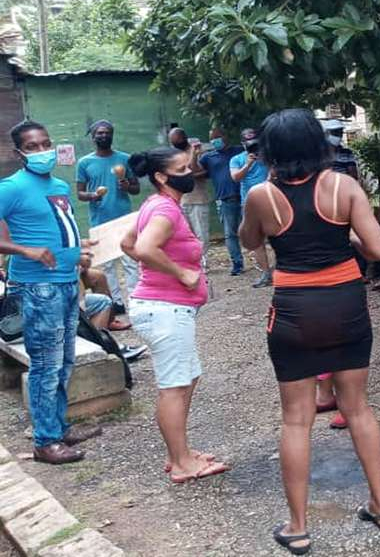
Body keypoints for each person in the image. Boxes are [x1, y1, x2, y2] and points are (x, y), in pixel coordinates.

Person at [239, 109, 380, 554]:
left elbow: (250, 241)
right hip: (346, 304)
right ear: (317, 143)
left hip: (294, 311)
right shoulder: (344, 187)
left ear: (269, 150)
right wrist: (347, 239)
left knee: (296, 419)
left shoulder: (261, 195)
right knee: (359, 408)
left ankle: (298, 526)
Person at [119, 146, 229, 483]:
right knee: (173, 387)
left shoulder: (157, 205)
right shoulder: (165, 209)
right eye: (181, 168)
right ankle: (182, 464)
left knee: (187, 378)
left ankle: (178, 452)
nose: (189, 171)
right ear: (161, 177)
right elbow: (143, 248)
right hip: (165, 310)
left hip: (167, 309)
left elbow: (126, 243)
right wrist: (181, 275)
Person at [0, 120, 101, 464]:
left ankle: (58, 427)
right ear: (19, 153)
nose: (43, 151)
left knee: (65, 361)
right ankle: (45, 442)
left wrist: (79, 248)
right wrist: (25, 251)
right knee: (46, 364)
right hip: (38, 287)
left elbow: (61, 228)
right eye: (32, 147)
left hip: (67, 281)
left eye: (46, 143)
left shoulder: (58, 185)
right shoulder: (10, 188)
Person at [76, 120, 140, 325]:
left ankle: (135, 302)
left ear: (112, 135)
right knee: (108, 267)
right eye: (100, 133)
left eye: (107, 132)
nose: (104, 136)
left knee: (131, 262)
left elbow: (136, 189)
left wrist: (127, 185)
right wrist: (93, 195)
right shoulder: (84, 163)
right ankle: (116, 303)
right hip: (100, 220)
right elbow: (80, 193)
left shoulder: (125, 159)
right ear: (93, 137)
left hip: (124, 219)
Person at [199, 128, 246, 275]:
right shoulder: (208, 157)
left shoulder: (239, 151)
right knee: (230, 234)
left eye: (217, 137)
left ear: (225, 137)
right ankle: (237, 264)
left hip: (246, 196)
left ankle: (261, 262)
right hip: (226, 199)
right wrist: (194, 154)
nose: (214, 141)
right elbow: (195, 171)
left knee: (255, 230)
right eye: (212, 138)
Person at [230, 129, 273, 288]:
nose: (253, 146)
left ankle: (286, 268)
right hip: (249, 204)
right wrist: (248, 163)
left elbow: (277, 171)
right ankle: (266, 273)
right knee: (256, 241)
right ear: (243, 144)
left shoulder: (268, 155)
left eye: (255, 142)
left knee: (279, 234)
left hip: (271, 199)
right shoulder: (237, 159)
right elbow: (235, 177)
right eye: (249, 143)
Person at [167, 128, 211, 259]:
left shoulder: (200, 150)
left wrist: (193, 155)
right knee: (186, 235)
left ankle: (202, 262)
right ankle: (192, 260)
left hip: (198, 199)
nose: (176, 144)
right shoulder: (173, 155)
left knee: (201, 234)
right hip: (181, 201)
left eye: (178, 140)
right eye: (173, 142)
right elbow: (180, 174)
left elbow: (199, 172)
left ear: (185, 137)